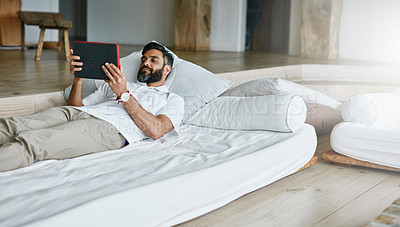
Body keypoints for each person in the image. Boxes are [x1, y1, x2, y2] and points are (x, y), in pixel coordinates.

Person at [0, 42, 184, 172]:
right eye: (144, 59)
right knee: (13, 125)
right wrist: (78, 79)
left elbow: (156, 130)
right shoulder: (117, 83)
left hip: (110, 129)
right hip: (78, 113)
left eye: (153, 60)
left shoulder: (172, 99)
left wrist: (124, 94)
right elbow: (76, 107)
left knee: (34, 143)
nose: (145, 63)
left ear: (166, 70)